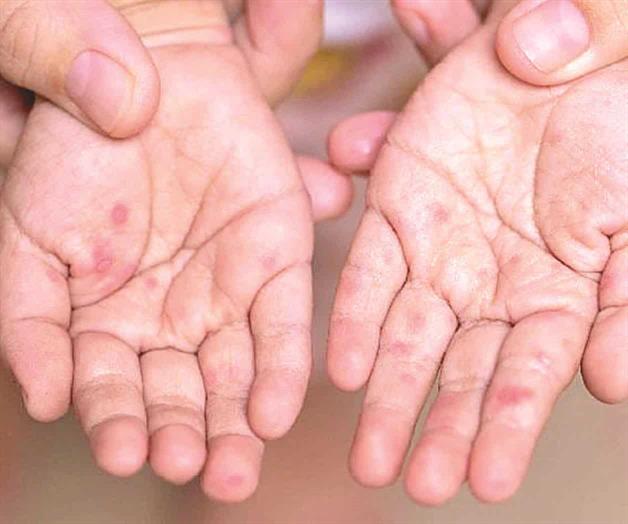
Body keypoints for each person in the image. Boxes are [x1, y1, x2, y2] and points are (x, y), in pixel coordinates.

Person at [0, 0, 625, 506]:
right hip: (109, 57)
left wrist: (569, 59)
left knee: (338, 311)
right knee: (38, 303)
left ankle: (298, 434)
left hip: (434, 94)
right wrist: (151, 20)